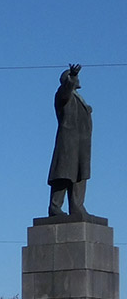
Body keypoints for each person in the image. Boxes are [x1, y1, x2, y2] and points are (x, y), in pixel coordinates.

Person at [48, 64, 92, 217]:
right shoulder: (62, 95)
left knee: (80, 175)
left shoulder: (79, 98)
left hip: (81, 143)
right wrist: (71, 77)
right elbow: (65, 91)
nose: (77, 80)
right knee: (64, 174)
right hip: (68, 142)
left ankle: (77, 207)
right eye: (74, 78)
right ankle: (55, 207)